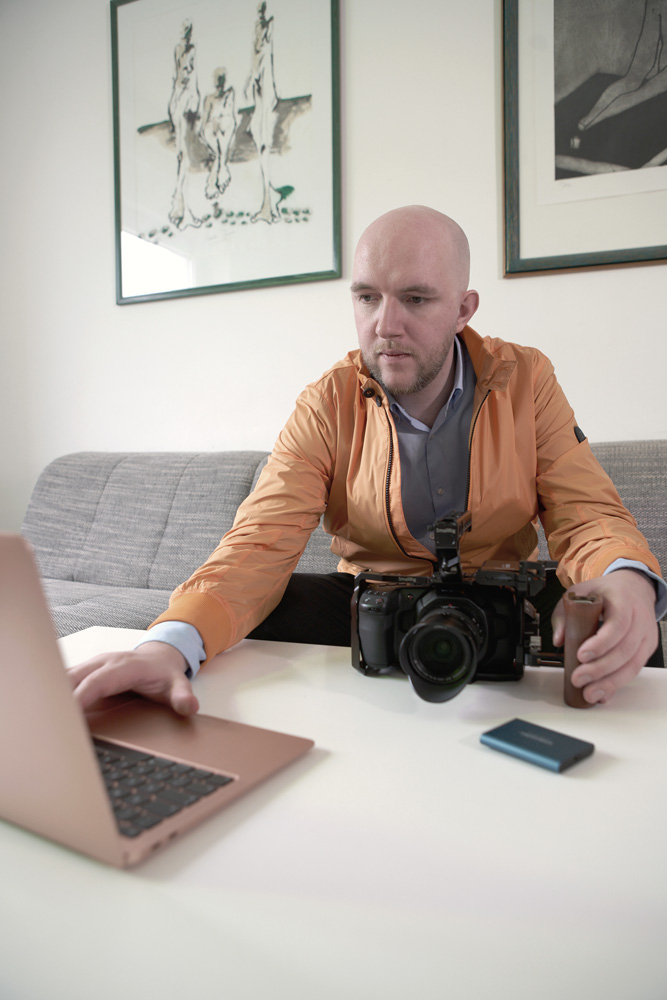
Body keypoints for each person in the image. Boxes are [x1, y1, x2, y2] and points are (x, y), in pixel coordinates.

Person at [69, 206, 665, 715]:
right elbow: (260, 540)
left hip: (503, 597)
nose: (385, 325)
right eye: (367, 297)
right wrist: (167, 647)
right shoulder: (327, 403)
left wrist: (628, 578)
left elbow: (586, 512)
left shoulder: (526, 379)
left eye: (415, 299)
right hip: (374, 598)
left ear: (463, 309)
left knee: (629, 619)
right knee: (253, 618)